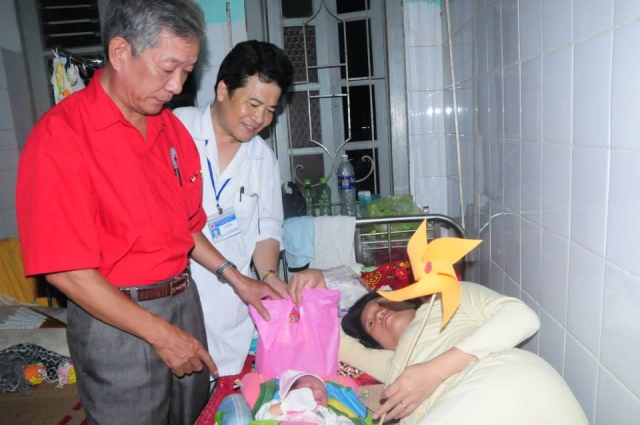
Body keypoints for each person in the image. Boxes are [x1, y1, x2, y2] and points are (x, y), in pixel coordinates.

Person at [15, 1, 279, 424]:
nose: (177, 86)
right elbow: (66, 272)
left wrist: (237, 278)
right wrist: (161, 334)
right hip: (115, 319)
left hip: (184, 303)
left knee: (192, 414)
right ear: (120, 52)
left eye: (187, 71)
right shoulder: (61, 138)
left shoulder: (169, 130)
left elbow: (185, 228)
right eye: (167, 68)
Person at [289, 270, 589, 425]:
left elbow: (523, 318)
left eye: (380, 303)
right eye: (370, 324)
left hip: (506, 381)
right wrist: (319, 288)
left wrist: (433, 372)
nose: (378, 314)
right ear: (377, 344)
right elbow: (335, 342)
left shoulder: (447, 302)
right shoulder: (392, 367)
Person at [173, 40, 294, 379]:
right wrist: (236, 278)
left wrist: (268, 276)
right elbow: (174, 222)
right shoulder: (177, 130)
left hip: (233, 309)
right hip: (179, 302)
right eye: (253, 104)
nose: (260, 119)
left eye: (270, 110)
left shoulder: (262, 158)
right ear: (223, 89)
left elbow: (267, 228)